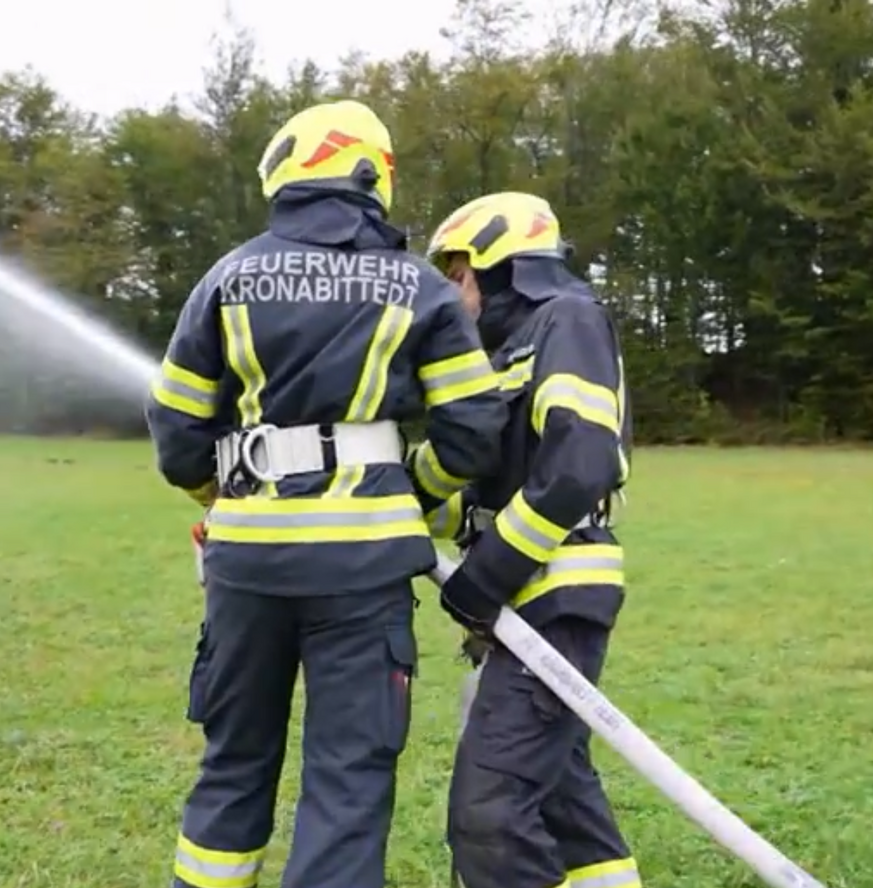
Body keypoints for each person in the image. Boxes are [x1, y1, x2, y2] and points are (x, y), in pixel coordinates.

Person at [144, 99, 508, 888]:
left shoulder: (226, 277)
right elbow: (475, 426)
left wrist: (225, 494)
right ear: (369, 172)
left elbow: (175, 434)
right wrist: (415, 489)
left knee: (234, 765)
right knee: (347, 783)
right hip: (363, 570)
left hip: (246, 570)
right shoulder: (419, 289)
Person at [419, 191, 642, 888]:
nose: (451, 296)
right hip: (526, 601)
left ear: (501, 264)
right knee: (560, 794)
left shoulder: (566, 319)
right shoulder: (504, 355)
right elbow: (491, 494)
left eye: (457, 276)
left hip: (553, 594)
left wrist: (486, 575)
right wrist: (392, 492)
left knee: (492, 812)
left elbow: (579, 466)